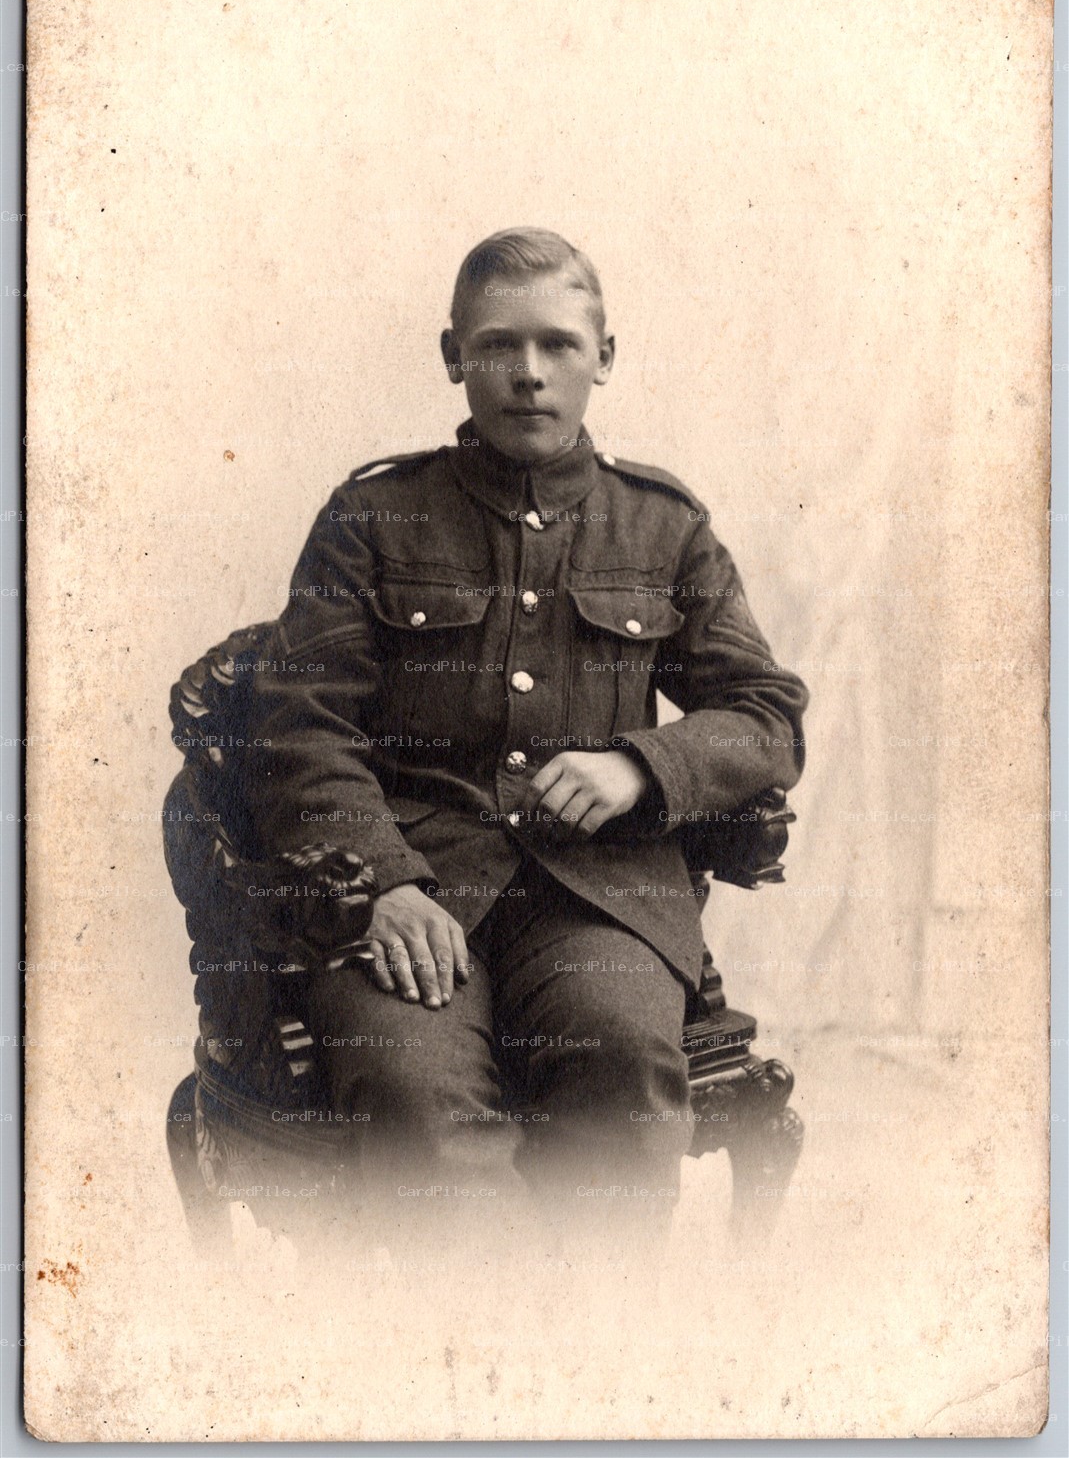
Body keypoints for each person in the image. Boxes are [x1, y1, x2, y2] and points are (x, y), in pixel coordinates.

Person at [245, 228, 807, 1247]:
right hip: (415, 893)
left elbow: (765, 714)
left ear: (605, 357)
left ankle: (594, 1334)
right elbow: (300, 726)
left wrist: (643, 765)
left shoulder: (663, 527)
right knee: (414, 1098)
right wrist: (382, 884)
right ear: (452, 354)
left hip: (598, 895)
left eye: (558, 343)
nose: (529, 372)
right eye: (498, 344)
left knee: (621, 1073)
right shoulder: (372, 518)